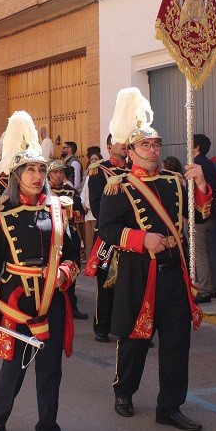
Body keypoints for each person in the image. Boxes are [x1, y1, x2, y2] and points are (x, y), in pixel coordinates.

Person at [98, 87, 211, 431]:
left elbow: (201, 216)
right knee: (135, 339)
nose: (153, 150)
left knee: (177, 344)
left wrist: (202, 183)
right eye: (145, 145)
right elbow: (106, 230)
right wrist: (141, 238)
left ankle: (170, 406)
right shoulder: (120, 185)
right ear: (131, 151)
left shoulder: (177, 181)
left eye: (157, 145)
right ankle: (124, 391)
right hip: (138, 272)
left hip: (173, 275)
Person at [0, 110, 80, 431]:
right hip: (17, 302)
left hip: (52, 298)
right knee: (14, 368)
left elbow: (72, 252)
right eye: (30, 170)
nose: (38, 176)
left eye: (41, 169)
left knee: (50, 370)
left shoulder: (59, 208)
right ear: (17, 174)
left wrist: (67, 271)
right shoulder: (1, 214)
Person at [86, 133, 129, 343]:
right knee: (105, 284)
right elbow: (96, 206)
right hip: (108, 236)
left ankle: (129, 327)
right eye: (121, 141)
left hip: (132, 237)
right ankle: (102, 326)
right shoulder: (99, 171)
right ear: (109, 146)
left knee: (131, 284)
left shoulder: (136, 171)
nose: (125, 145)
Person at [48, 159, 88, 320]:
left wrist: (68, 214)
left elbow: (81, 215)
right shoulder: (44, 193)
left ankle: (72, 305)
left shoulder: (71, 193)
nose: (58, 175)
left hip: (69, 235)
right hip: (51, 236)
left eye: (61, 172)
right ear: (49, 174)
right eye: (55, 172)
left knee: (71, 268)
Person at [192, 134, 216, 304]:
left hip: (199, 215)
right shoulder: (209, 164)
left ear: (196, 147)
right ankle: (212, 288)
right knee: (208, 253)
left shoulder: (197, 165)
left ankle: (203, 291)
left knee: (200, 254)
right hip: (212, 215)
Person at [80, 150, 102, 262]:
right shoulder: (88, 174)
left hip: (93, 213)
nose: (93, 161)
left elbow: (95, 194)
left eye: (96, 159)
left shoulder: (99, 174)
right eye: (91, 159)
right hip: (87, 213)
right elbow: (84, 192)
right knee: (88, 241)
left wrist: (87, 205)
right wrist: (82, 203)